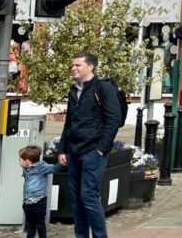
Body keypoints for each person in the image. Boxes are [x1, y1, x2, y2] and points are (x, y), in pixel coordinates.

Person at [57, 51, 121, 238]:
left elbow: (113, 120)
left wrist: (101, 148)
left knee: (89, 196)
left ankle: (100, 236)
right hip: (74, 151)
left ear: (90, 67)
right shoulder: (74, 90)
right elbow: (69, 122)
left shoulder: (103, 89)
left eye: (77, 65)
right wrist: (63, 149)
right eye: (72, 65)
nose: (73, 68)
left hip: (93, 151)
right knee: (77, 198)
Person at [19, 145, 58, 238]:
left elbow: (54, 168)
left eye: (20, 160)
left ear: (27, 161)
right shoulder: (26, 170)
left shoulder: (41, 167)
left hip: (39, 202)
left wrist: (63, 161)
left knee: (40, 225)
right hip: (27, 202)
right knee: (30, 225)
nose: (19, 162)